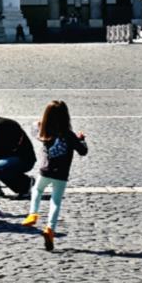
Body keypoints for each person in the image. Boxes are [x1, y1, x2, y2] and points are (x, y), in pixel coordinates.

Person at [24, 100, 87, 251]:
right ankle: (50, 229)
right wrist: (81, 140)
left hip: (45, 171)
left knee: (37, 191)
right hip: (62, 174)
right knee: (56, 201)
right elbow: (83, 151)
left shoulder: (44, 131)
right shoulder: (70, 135)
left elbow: (34, 128)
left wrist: (42, 122)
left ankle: (33, 214)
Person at [0, 112, 36, 202]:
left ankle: (25, 184)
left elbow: (0, 150)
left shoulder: (2, 125)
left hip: (23, 158)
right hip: (9, 158)